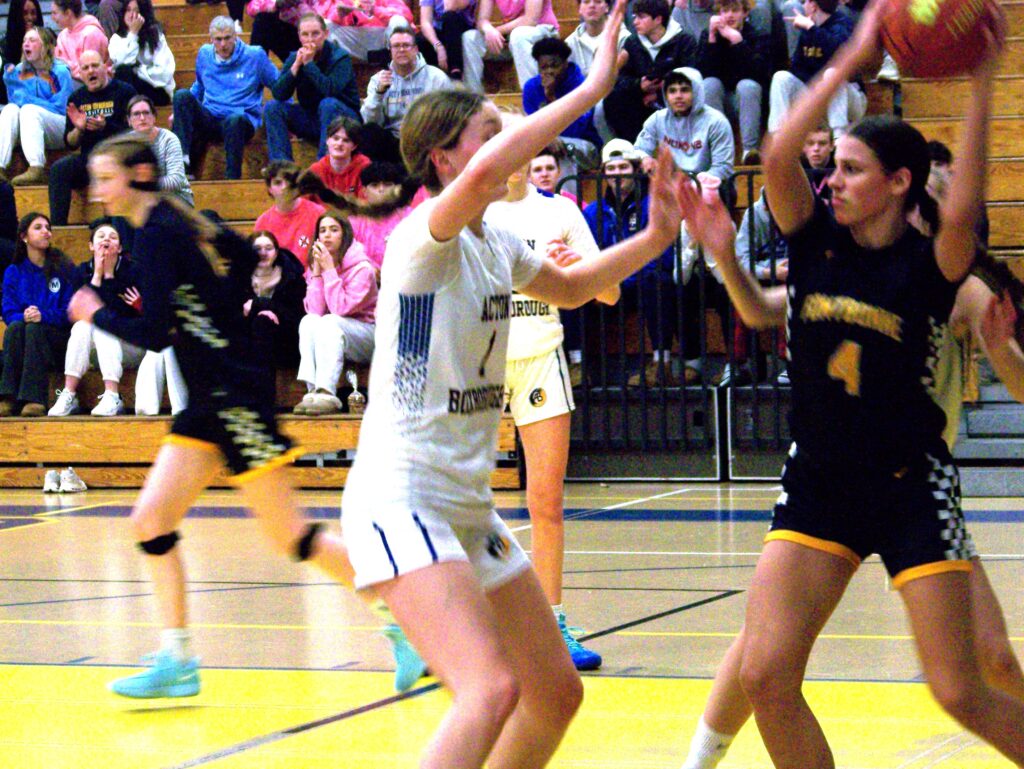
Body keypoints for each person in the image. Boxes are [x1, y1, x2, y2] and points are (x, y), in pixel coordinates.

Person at [337, 3, 691, 762]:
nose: (504, 149)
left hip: (463, 500)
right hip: (401, 494)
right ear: (444, 159)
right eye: (486, 137)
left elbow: (577, 287)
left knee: (555, 689)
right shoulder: (422, 240)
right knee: (490, 688)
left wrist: (657, 237)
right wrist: (593, 85)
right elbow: (499, 165)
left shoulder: (497, 240)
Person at [676, 3, 1024, 767]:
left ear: (900, 183)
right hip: (821, 478)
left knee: (961, 689)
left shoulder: (930, 266)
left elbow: (966, 201)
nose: (832, 179)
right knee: (767, 673)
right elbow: (774, 155)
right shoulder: (814, 242)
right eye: (832, 166)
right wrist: (850, 59)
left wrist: (984, 79)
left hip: (908, 482)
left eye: (852, 170)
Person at [69, 132, 361, 699]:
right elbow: (246, 253)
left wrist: (95, 312)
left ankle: (407, 615)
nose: (97, 191)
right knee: (151, 520)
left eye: (106, 178)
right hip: (213, 393)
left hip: (232, 394)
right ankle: (177, 661)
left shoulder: (158, 233)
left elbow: (154, 333)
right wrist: (215, 313)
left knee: (294, 537)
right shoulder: (172, 223)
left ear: (139, 176)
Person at [484, 134, 618, 670]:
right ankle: (456, 621)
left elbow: (609, 293)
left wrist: (576, 273)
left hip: (541, 356)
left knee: (546, 502)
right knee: (460, 501)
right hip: (481, 360)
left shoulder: (559, 212)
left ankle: (552, 623)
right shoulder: (474, 213)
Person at [584, 139, 686, 386]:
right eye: (611, 169)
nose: (617, 174)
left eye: (623, 168)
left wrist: (620, 276)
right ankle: (578, 365)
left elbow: (662, 255)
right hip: (610, 287)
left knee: (658, 281)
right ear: (604, 174)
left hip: (642, 282)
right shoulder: (593, 212)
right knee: (573, 290)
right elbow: (587, 254)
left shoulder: (653, 204)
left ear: (635, 169)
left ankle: (661, 364)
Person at [49, 219, 144, 416]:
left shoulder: (133, 271)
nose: (106, 240)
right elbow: (78, 311)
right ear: (91, 246)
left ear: (119, 247)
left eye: (112, 237)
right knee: (83, 326)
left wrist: (109, 277)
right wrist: (98, 277)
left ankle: (113, 395)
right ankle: (69, 393)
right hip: (99, 352)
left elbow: (120, 315)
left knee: (102, 323)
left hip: (133, 346)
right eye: (100, 237)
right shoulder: (81, 272)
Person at [171, 16, 278, 180]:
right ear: (211, 39)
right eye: (218, 39)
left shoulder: (255, 56)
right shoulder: (204, 54)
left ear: (236, 36)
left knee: (234, 120)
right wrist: (180, 112)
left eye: (227, 38)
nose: (223, 44)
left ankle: (232, 179)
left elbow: (279, 87)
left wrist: (285, 114)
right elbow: (199, 85)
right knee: (181, 96)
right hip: (211, 116)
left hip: (241, 120)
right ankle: (182, 162)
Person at [294, 211, 377, 415]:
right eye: (322, 231)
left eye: (333, 230)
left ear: (344, 235)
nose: (327, 235)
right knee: (308, 321)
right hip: (336, 332)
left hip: (369, 335)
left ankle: (327, 392)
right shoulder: (321, 264)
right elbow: (315, 311)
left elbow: (341, 309)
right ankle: (312, 391)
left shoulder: (362, 269)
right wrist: (316, 273)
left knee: (330, 321)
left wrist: (329, 270)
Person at [48, 49, 135, 226]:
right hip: (89, 160)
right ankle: (58, 228)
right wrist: (79, 130)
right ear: (80, 73)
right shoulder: (77, 98)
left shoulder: (125, 92)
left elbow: (134, 133)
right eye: (85, 68)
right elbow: (70, 143)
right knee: (59, 169)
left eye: (95, 66)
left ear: (105, 67)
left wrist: (106, 127)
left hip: (118, 158)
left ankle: (115, 224)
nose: (91, 71)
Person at [0, 212, 74, 417]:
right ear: (24, 236)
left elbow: (71, 311)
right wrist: (23, 316)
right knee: (15, 327)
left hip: (58, 339)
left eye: (48, 228)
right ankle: (9, 397)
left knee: (34, 328)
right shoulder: (14, 271)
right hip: (26, 335)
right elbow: (7, 310)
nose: (46, 232)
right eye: (38, 227)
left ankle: (35, 399)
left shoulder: (62, 268)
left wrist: (44, 315)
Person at [265, 12, 361, 163]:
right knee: (273, 107)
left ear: (325, 34)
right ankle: (282, 167)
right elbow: (278, 94)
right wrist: (295, 67)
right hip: (313, 118)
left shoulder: (340, 57)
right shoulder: (295, 57)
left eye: (315, 34)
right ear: (299, 36)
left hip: (344, 119)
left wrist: (309, 64)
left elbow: (330, 91)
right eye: (305, 34)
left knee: (327, 104)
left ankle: (324, 166)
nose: (310, 40)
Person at [602, 0, 697, 142]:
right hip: (640, 100)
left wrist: (660, 94)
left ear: (658, 19)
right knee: (613, 98)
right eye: (634, 17)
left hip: (673, 99)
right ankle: (632, 147)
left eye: (641, 17)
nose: (635, 22)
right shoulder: (632, 43)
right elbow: (620, 78)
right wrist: (638, 85)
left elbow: (691, 76)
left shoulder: (684, 41)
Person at [766, 0, 863, 137]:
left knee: (832, 74)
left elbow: (840, 54)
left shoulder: (843, 23)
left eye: (805, 2)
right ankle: (777, 137)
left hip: (850, 98)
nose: (803, 6)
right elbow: (796, 69)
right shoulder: (809, 30)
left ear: (813, 5)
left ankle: (838, 138)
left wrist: (812, 28)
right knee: (781, 77)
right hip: (817, 97)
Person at [360, 27, 452, 165]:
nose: (401, 50)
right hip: (394, 142)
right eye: (396, 46)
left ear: (415, 49)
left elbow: (450, 118)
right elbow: (371, 122)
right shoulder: (378, 80)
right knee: (368, 132)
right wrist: (379, 94)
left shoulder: (436, 77)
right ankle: (382, 181)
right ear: (390, 51)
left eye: (406, 45)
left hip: (425, 142)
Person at [635, 67, 735, 188]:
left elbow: (723, 167)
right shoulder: (657, 119)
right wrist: (645, 158)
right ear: (665, 95)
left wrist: (692, 187)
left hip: (709, 187)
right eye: (672, 91)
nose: (678, 96)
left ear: (696, 92)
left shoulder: (716, 121)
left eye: (684, 90)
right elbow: (638, 149)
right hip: (672, 185)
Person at [698, 0, 771, 165]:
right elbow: (702, 73)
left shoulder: (759, 35)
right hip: (720, 101)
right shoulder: (709, 35)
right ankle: (719, 149)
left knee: (747, 85)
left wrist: (738, 43)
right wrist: (711, 38)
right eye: (725, 10)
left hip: (749, 101)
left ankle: (749, 151)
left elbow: (760, 74)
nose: (730, 15)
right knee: (709, 84)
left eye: (735, 10)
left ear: (745, 13)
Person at [0, 27, 75, 186]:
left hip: (59, 127)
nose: (26, 44)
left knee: (28, 110)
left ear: (46, 46)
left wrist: (29, 101)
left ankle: (37, 167)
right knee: (10, 109)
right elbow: (15, 101)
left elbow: (62, 108)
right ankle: (0, 166)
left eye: (32, 40)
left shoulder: (60, 71)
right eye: (24, 40)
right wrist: (10, 80)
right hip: (30, 128)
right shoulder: (19, 70)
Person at [244, 230, 306, 403]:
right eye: (257, 248)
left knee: (263, 322)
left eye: (268, 248)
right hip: (249, 341)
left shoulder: (291, 277)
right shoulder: (240, 278)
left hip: (287, 343)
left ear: (276, 253)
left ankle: (263, 399)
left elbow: (296, 318)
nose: (263, 253)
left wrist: (259, 305)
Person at [522, 37, 601, 168]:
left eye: (554, 65)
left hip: (583, 146)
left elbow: (575, 131)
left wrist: (552, 97)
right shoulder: (531, 88)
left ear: (565, 63)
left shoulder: (581, 86)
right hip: (545, 143)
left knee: (561, 147)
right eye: (544, 67)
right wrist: (546, 139)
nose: (549, 71)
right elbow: (531, 128)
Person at [461, 0, 559, 93]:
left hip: (543, 31)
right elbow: (482, 20)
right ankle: (473, 99)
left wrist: (497, 31)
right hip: (510, 36)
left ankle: (532, 97)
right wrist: (489, 30)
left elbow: (530, 20)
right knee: (469, 38)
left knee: (518, 35)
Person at [348, 161, 419, 271]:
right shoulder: (354, 222)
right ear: (364, 191)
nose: (381, 189)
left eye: (387, 184)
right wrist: (369, 267)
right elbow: (347, 255)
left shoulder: (411, 217)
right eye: (375, 185)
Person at [254, 160, 326, 267]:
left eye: (289, 182)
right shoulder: (263, 223)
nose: (284, 187)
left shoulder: (318, 213)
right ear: (270, 189)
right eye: (278, 183)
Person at [126, 94, 193, 206]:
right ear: (129, 121)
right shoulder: (126, 143)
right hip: (142, 201)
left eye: (146, 113)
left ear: (154, 117)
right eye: (136, 114)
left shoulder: (169, 139)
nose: (142, 118)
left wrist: (145, 185)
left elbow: (176, 180)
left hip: (176, 200)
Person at [108, 0, 175, 106]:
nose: (132, 15)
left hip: (156, 89)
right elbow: (121, 63)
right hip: (130, 88)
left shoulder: (155, 35)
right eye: (128, 10)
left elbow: (163, 72)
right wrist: (133, 34)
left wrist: (137, 70)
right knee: (123, 71)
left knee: (125, 72)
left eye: (136, 11)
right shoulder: (116, 38)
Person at [324, 0, 414, 62]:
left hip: (385, 39)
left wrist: (374, 10)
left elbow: (406, 15)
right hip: (358, 41)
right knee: (325, 26)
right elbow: (331, 21)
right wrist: (339, 15)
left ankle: (389, 57)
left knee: (399, 21)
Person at [307, 115, 372, 198]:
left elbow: (366, 206)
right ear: (327, 140)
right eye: (335, 138)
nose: (339, 144)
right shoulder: (315, 171)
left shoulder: (365, 167)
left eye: (346, 140)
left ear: (354, 146)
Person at [417, 0, 476, 80]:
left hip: (461, 29)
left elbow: (450, 7)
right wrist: (438, 46)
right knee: (420, 41)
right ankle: (432, 82)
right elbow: (425, 22)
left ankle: (456, 75)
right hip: (439, 31)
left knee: (450, 17)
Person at [52, 0, 109, 82]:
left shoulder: (91, 33)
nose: (52, 18)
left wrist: (64, 65)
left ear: (68, 13)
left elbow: (90, 70)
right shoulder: (62, 35)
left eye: (55, 13)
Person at [245, 0, 315, 62]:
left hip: (314, 35)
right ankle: (255, 69)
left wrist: (300, 7)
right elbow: (251, 7)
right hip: (289, 36)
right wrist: (276, 4)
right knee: (263, 19)